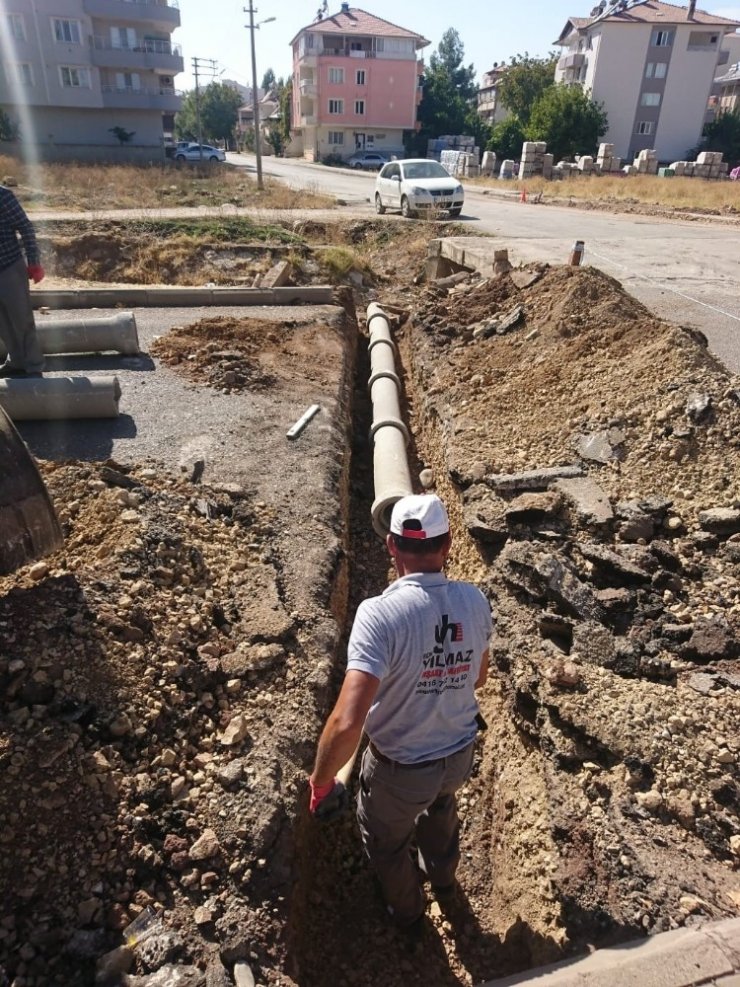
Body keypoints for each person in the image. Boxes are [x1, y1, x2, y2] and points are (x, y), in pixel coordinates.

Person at [309, 493, 492, 932]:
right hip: (458, 756)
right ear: (447, 546)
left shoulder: (379, 615)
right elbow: (479, 678)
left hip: (401, 771)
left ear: (391, 546)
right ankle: (443, 882)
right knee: (441, 807)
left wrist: (320, 783)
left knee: (388, 845)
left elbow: (347, 721)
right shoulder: (475, 600)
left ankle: (409, 914)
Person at [0, 183, 45, 378]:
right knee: (2, 322)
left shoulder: (3, 196)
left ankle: (34, 365)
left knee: (21, 318)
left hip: (9, 267)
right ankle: (17, 362)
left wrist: (33, 262)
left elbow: (26, 227)